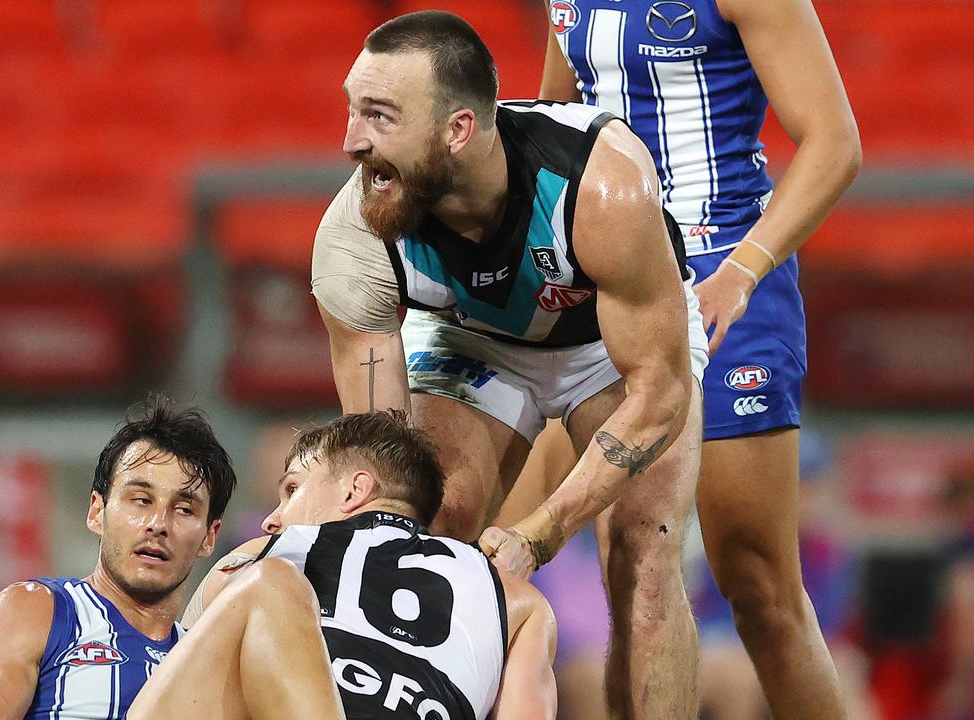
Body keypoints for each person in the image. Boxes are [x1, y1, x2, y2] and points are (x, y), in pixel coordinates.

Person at [310, 10, 708, 717]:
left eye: (378, 116)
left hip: (607, 351)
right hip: (474, 337)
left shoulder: (601, 184)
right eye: (352, 112)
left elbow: (660, 396)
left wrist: (543, 530)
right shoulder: (354, 241)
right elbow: (383, 460)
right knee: (426, 529)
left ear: (457, 130)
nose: (352, 142)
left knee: (644, 556)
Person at [534, 0, 862, 715]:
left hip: (725, 283)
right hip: (609, 284)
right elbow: (555, 118)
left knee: (758, 586)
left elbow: (835, 141)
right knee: (630, 566)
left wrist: (742, 272)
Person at [168, 410, 557, 720]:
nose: (273, 519)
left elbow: (178, 682)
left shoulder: (265, 556)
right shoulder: (518, 601)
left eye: (292, 490)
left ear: (355, 490)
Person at [0, 397, 237, 719]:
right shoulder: (33, 613)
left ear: (209, 537)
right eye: (140, 500)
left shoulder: (213, 668)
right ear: (97, 511)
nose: (158, 524)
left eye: (184, 509)